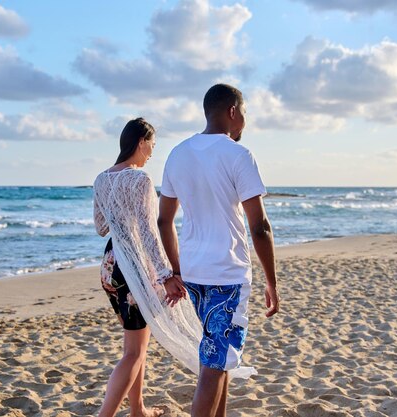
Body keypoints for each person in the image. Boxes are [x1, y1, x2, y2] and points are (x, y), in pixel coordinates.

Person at [158, 84, 280, 417]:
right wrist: (272, 280)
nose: (245, 119)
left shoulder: (178, 153)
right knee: (213, 365)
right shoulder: (238, 155)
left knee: (218, 358)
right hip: (227, 273)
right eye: (244, 112)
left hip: (195, 272)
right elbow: (260, 226)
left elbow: (164, 220)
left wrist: (178, 268)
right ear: (232, 111)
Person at [92, 118, 201, 417]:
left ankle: (137, 409)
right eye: (152, 144)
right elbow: (149, 232)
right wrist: (167, 276)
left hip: (111, 266)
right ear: (141, 141)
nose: (153, 151)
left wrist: (118, 212)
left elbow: (101, 227)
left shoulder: (101, 179)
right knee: (134, 351)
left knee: (135, 341)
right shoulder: (140, 180)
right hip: (136, 267)